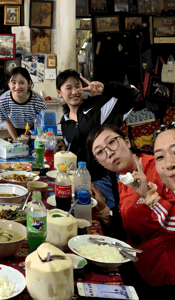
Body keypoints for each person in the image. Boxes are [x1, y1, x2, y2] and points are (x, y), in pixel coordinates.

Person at [86, 124, 175, 300]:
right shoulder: (121, 179)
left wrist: (149, 196)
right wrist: (103, 210)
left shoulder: (160, 167)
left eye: (112, 143)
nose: (108, 153)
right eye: (100, 152)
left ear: (127, 141)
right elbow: (127, 227)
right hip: (137, 264)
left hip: (165, 275)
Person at [57, 69, 141, 209]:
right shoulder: (65, 122)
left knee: (110, 216)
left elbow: (133, 94)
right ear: (59, 92)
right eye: (68, 88)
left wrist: (106, 88)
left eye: (78, 86)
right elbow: (76, 150)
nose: (74, 92)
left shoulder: (99, 105)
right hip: (83, 180)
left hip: (107, 177)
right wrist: (63, 149)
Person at [0, 67, 47, 139]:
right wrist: (17, 140)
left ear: (29, 84)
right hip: (15, 131)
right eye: (13, 83)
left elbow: (43, 124)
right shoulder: (3, 101)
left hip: (35, 132)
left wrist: (36, 139)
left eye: (22, 83)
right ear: (9, 83)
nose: (17, 87)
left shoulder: (38, 101)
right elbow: (8, 122)